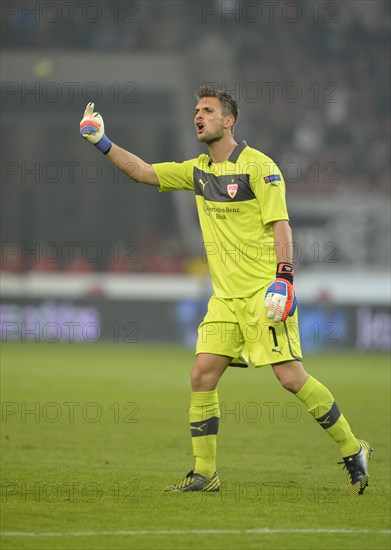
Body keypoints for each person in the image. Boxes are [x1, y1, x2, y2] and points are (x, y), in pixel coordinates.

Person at [80, 85, 372, 495]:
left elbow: (281, 224)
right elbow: (143, 172)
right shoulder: (198, 170)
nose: (198, 116)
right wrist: (102, 141)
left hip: (263, 294)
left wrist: (284, 278)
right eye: (196, 110)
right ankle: (205, 473)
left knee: (290, 378)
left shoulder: (259, 166)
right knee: (202, 374)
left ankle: (353, 448)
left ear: (229, 120)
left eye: (208, 110)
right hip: (224, 299)